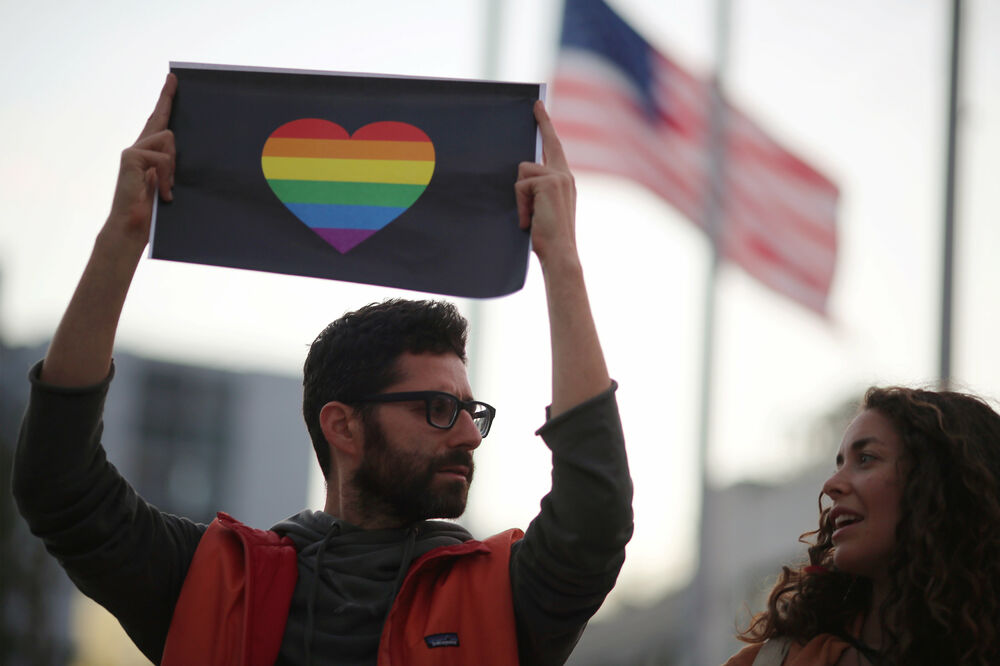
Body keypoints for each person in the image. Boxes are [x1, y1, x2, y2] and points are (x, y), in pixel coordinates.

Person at [12, 73, 633, 666]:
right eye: (440, 409)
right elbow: (59, 483)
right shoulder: (217, 580)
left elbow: (595, 519)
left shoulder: (500, 594)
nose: (470, 434)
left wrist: (562, 263)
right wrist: (122, 237)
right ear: (342, 426)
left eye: (472, 412)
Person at [724, 386, 1000, 666]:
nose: (831, 486)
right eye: (839, 466)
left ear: (939, 483)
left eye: (865, 459)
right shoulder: (770, 661)